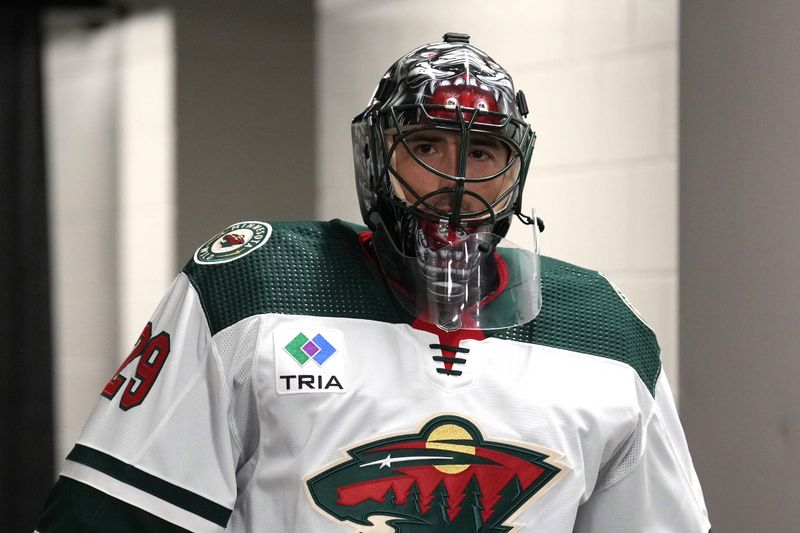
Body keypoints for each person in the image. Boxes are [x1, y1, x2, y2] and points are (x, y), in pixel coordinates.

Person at [36, 33, 711, 532]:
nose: (455, 181)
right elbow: (114, 514)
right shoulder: (253, 288)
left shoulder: (605, 333)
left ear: (516, 171)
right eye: (426, 146)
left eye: (482, 152)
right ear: (376, 154)